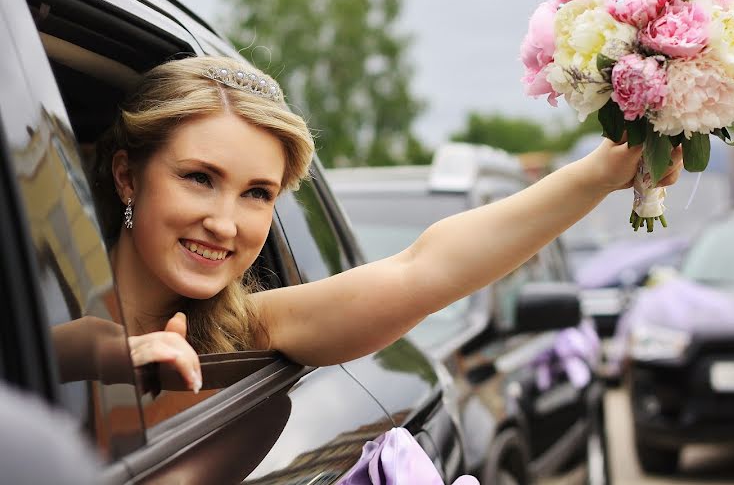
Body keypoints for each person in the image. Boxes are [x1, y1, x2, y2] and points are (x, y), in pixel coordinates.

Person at [88, 55, 682, 392]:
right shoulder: (32, 308)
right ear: (127, 177)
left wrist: (600, 174)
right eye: (199, 178)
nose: (224, 223)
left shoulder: (255, 328)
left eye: (257, 194)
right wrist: (95, 355)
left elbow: (425, 270)